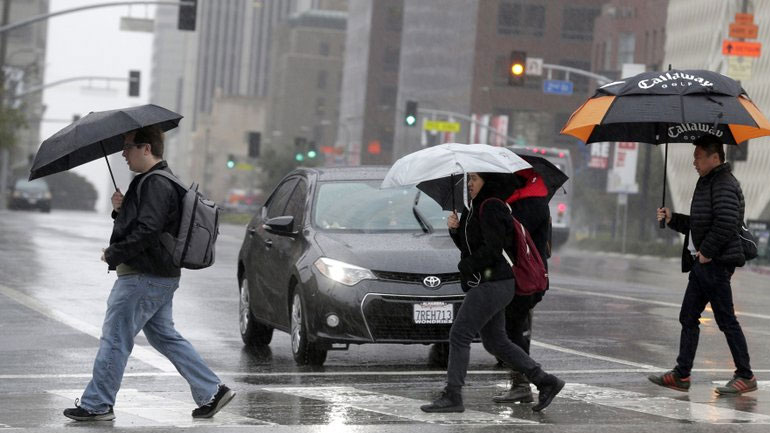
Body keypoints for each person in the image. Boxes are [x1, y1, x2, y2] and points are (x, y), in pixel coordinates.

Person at [63, 126, 235, 421]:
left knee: (115, 338)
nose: (124, 153)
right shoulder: (156, 181)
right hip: (159, 275)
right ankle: (212, 390)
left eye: (129, 146)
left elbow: (148, 230)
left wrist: (113, 253)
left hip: (143, 276)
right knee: (164, 337)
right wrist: (121, 209)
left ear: (147, 149)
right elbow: (149, 224)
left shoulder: (155, 183)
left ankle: (97, 404)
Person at [420, 172, 564, 413]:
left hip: (495, 283)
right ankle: (546, 381)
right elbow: (471, 246)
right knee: (496, 341)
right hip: (490, 283)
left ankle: (453, 395)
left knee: (459, 334)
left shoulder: (492, 206)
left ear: (488, 181)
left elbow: (494, 249)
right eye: (468, 180)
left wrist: (467, 266)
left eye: (475, 179)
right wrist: (455, 230)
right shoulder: (475, 207)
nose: (470, 184)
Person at [649, 134, 756, 395]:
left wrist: (707, 252)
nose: (694, 162)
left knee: (726, 320)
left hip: (715, 264)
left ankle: (745, 375)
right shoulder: (708, 181)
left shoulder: (724, 184)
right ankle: (681, 375)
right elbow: (700, 223)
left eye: (698, 157)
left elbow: (726, 222)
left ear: (715, 157)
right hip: (702, 264)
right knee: (688, 316)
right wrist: (673, 219)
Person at [493, 169, 551, 404]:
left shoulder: (528, 205)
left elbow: (512, 236)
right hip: (529, 277)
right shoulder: (532, 201)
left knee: (513, 331)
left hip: (524, 278)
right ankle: (523, 382)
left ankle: (525, 383)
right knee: (515, 329)